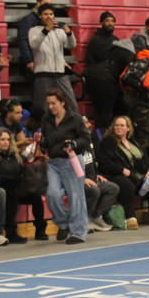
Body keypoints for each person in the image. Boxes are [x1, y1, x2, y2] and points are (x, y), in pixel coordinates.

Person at [41, 87, 91, 244]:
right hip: (53, 162)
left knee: (76, 196)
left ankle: (78, 232)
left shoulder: (75, 118)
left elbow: (86, 139)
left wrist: (74, 144)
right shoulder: (46, 119)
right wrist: (42, 144)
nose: (50, 107)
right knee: (52, 194)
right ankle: (63, 223)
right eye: (48, 103)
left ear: (62, 102)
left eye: (53, 103)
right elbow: (45, 137)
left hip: (72, 161)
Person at [98, 115, 149, 228]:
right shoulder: (108, 142)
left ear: (128, 128)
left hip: (138, 175)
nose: (118, 128)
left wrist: (148, 170)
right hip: (117, 174)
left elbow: (144, 157)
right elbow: (105, 163)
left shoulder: (133, 141)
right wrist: (122, 170)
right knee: (126, 184)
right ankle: (130, 217)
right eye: (116, 125)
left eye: (122, 125)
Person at [30, 3, 78, 115]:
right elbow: (34, 45)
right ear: (40, 16)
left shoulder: (59, 31)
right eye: (45, 14)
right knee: (43, 107)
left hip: (60, 73)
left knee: (72, 105)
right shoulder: (34, 30)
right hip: (43, 73)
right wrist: (45, 30)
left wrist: (69, 34)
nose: (49, 16)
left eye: (51, 14)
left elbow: (71, 45)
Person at [0, 127, 33, 244]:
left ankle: (40, 230)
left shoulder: (14, 155)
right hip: (1, 187)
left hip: (15, 186)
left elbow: (21, 170)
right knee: (10, 193)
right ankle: (10, 230)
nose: (6, 142)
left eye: (8, 139)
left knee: (35, 194)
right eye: (2, 140)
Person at [78, 116, 119, 232]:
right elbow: (69, 166)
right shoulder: (74, 143)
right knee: (94, 190)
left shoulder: (89, 140)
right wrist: (83, 179)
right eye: (86, 123)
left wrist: (97, 174)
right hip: (77, 181)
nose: (89, 125)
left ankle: (96, 216)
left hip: (92, 179)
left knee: (113, 188)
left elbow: (91, 162)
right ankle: (84, 219)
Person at [83, 10, 123, 131]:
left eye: (112, 21)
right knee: (103, 111)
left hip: (111, 80)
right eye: (107, 21)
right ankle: (101, 135)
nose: (110, 23)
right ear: (101, 23)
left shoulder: (115, 39)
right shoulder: (96, 40)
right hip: (99, 80)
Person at [17, 0, 52, 76]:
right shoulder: (28, 19)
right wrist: (29, 60)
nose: (48, 6)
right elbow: (23, 40)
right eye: (45, 3)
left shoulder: (51, 20)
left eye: (50, 4)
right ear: (38, 3)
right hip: (35, 61)